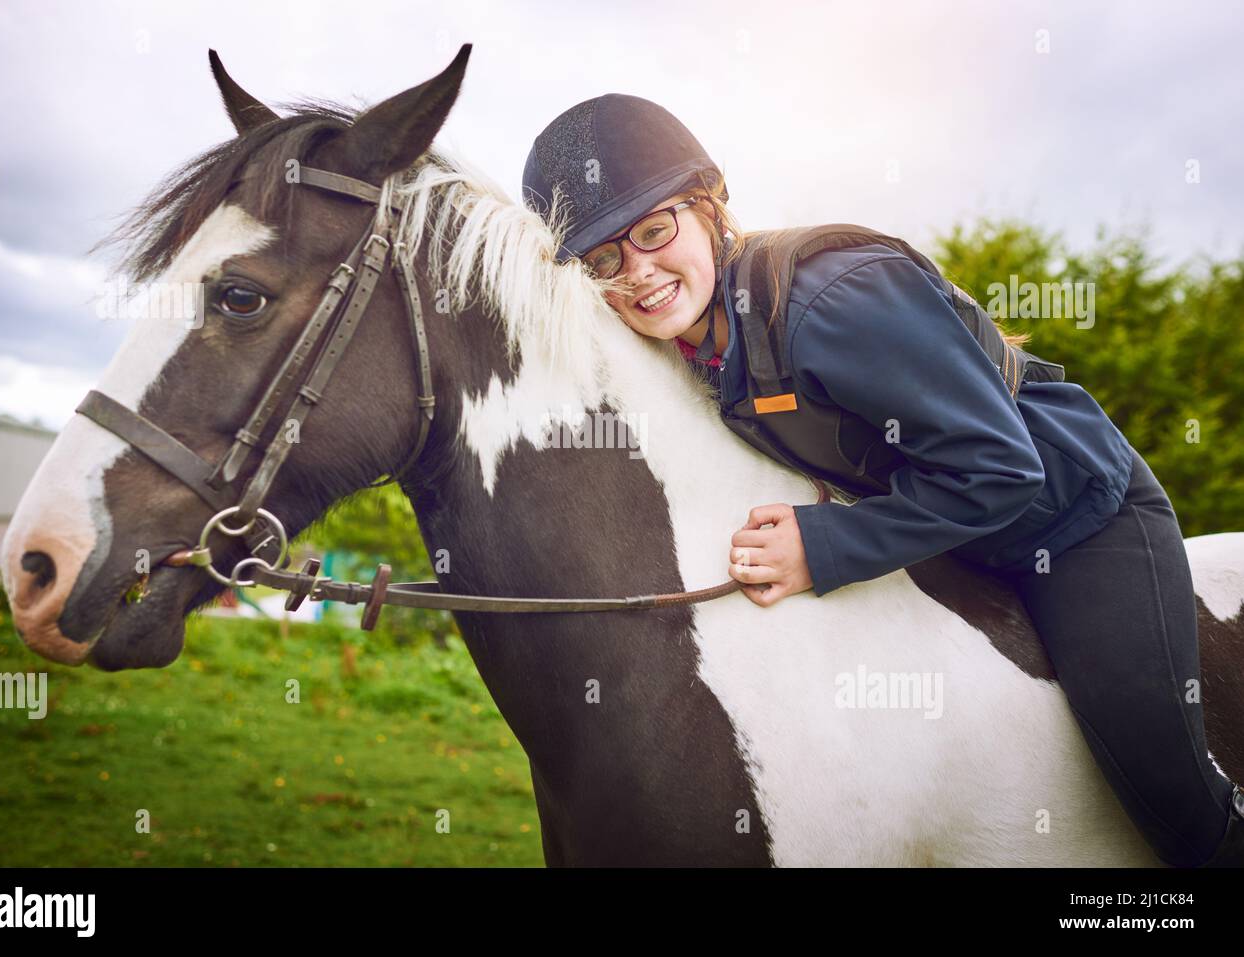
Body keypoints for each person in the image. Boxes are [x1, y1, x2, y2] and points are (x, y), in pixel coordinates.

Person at [521, 92, 1244, 867]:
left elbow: (1001, 468)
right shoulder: (694, 345)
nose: (638, 272)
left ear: (707, 208)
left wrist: (823, 546)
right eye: (604, 261)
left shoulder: (833, 298)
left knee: (1172, 801)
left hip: (1074, 521)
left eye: (654, 231)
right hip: (957, 540)